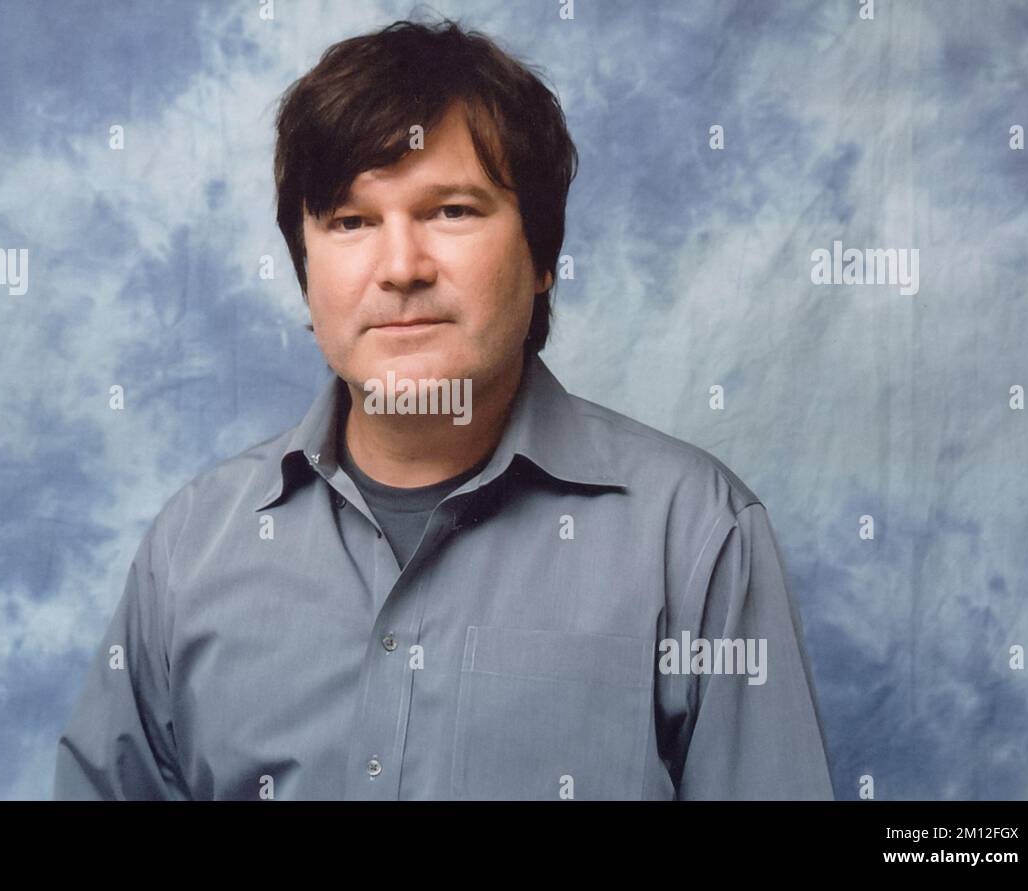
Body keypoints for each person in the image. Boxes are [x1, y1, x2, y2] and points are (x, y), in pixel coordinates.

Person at [54, 18, 835, 801]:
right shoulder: (193, 545)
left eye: (452, 211)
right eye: (352, 222)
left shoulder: (697, 534)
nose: (400, 268)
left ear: (542, 258)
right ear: (305, 270)